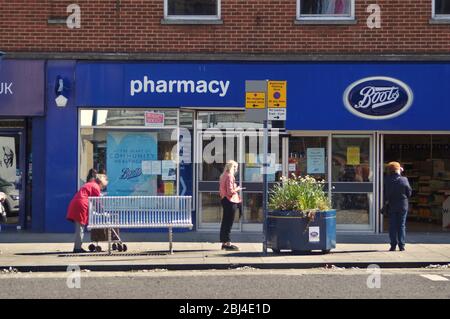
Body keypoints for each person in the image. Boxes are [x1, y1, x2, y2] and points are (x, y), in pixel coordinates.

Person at [66, 174, 108, 253]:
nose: (102, 188)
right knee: (80, 229)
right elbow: (97, 202)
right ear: (101, 183)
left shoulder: (90, 184)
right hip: (81, 205)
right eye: (103, 186)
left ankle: (78, 247)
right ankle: (77, 249)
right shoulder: (96, 187)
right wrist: (103, 212)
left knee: (80, 228)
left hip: (77, 203)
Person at [384, 162, 412, 251]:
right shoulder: (404, 179)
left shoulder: (387, 180)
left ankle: (393, 245)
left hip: (392, 205)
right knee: (401, 225)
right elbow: (409, 193)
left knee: (392, 225)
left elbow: (385, 193)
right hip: (402, 205)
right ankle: (401, 245)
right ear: (398, 169)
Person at [219, 160, 242, 251]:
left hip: (225, 200)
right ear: (232, 167)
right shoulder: (230, 176)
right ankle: (227, 243)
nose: (236, 169)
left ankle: (224, 242)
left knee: (225, 222)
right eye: (235, 167)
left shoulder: (223, 175)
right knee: (229, 222)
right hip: (230, 201)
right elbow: (230, 191)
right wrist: (237, 189)